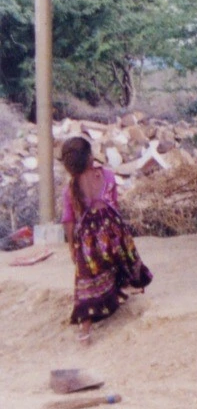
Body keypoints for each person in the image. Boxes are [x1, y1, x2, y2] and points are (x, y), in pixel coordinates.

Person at [59, 135, 151, 343]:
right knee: (121, 257)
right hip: (113, 231)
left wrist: (72, 248)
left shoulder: (69, 190)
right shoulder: (107, 176)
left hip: (89, 241)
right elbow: (114, 204)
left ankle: (85, 329)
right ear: (90, 157)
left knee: (87, 277)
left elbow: (69, 221)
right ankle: (132, 287)